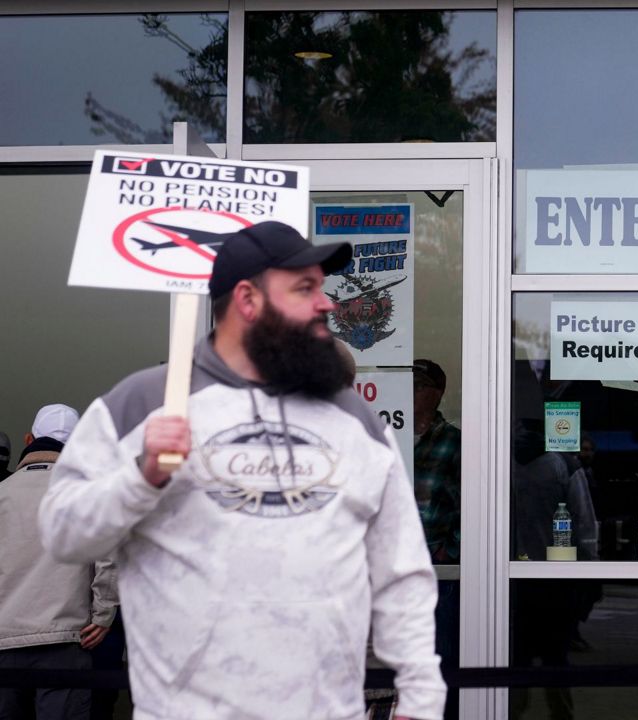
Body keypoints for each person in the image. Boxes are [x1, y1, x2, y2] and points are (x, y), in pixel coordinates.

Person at [39, 221, 446, 720]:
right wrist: (140, 479)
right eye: (305, 288)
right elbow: (62, 534)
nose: (327, 303)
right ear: (248, 300)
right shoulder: (142, 404)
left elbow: (401, 569)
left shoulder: (352, 417)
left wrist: (422, 694)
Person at [1, 404, 117, 720]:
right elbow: (110, 557)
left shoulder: (2, 493)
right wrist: (103, 614)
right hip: (67, 638)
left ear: (29, 439)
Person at [412, 358, 462, 565]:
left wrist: (450, 549)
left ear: (438, 393)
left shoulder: (453, 441)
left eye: (419, 386)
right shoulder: (386, 434)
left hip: (433, 563)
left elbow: (472, 502)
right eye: (406, 384)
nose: (410, 391)